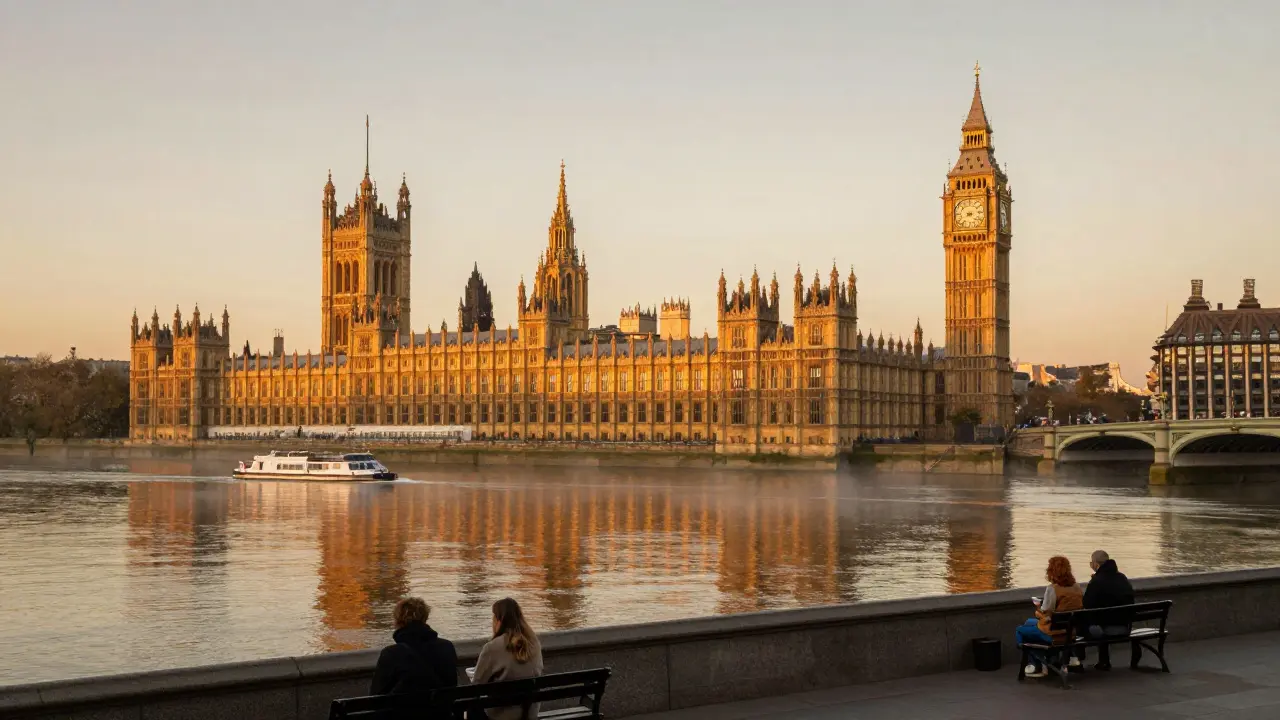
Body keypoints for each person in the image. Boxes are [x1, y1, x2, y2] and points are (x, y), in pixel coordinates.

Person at [472, 598, 544, 720]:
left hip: (502, 716)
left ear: (499, 621)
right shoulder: (534, 643)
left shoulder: (492, 648)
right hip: (530, 714)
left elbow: (476, 687)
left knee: (472, 708)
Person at [369, 597, 459, 695]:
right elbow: (452, 686)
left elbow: (375, 696)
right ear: (425, 618)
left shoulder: (391, 654)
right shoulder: (447, 647)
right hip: (441, 709)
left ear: (398, 621)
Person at [1015, 556, 1084, 678]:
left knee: (1020, 630)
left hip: (1054, 634)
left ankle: (1036, 664)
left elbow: (1046, 613)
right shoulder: (1077, 587)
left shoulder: (1053, 589)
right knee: (1028, 623)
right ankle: (1050, 660)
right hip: (1070, 633)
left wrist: (1038, 610)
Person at [1082, 549, 1135, 670]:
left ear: (1096, 564)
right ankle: (1103, 661)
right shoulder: (1122, 577)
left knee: (1083, 625)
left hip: (1105, 630)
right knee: (1101, 619)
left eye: (1091, 563)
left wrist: (1093, 582)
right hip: (1125, 627)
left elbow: (1086, 604)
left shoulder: (1096, 581)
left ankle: (1077, 659)